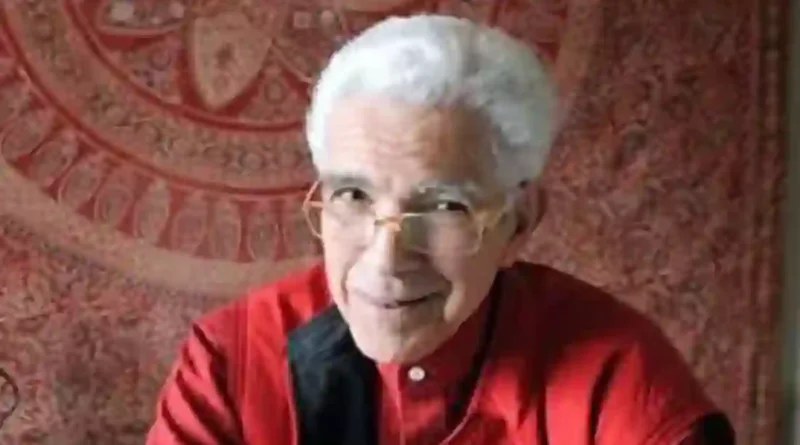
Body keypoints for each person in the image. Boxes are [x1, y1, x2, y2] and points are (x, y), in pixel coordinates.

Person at [146, 15, 735, 445]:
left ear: (518, 222)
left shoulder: (619, 383)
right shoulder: (232, 359)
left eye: (445, 206)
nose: (386, 258)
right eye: (353, 196)